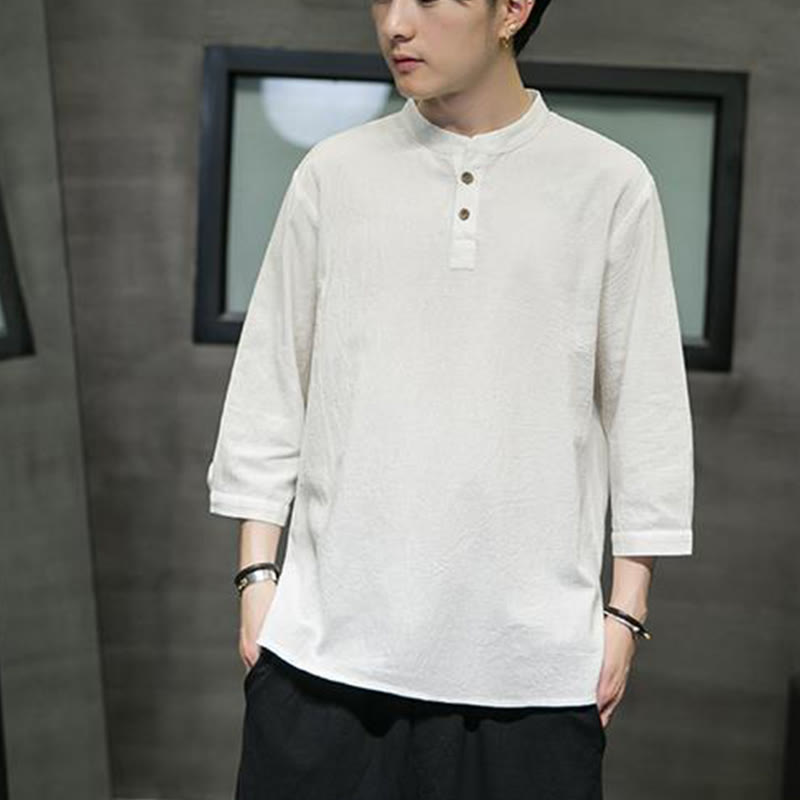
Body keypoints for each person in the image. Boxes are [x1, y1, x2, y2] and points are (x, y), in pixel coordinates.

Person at [206, 0, 695, 796]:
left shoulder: (608, 184)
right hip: (321, 663)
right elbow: (271, 382)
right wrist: (257, 579)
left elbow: (647, 409)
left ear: (513, 9)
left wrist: (625, 614)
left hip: (531, 678)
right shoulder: (333, 173)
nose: (396, 23)